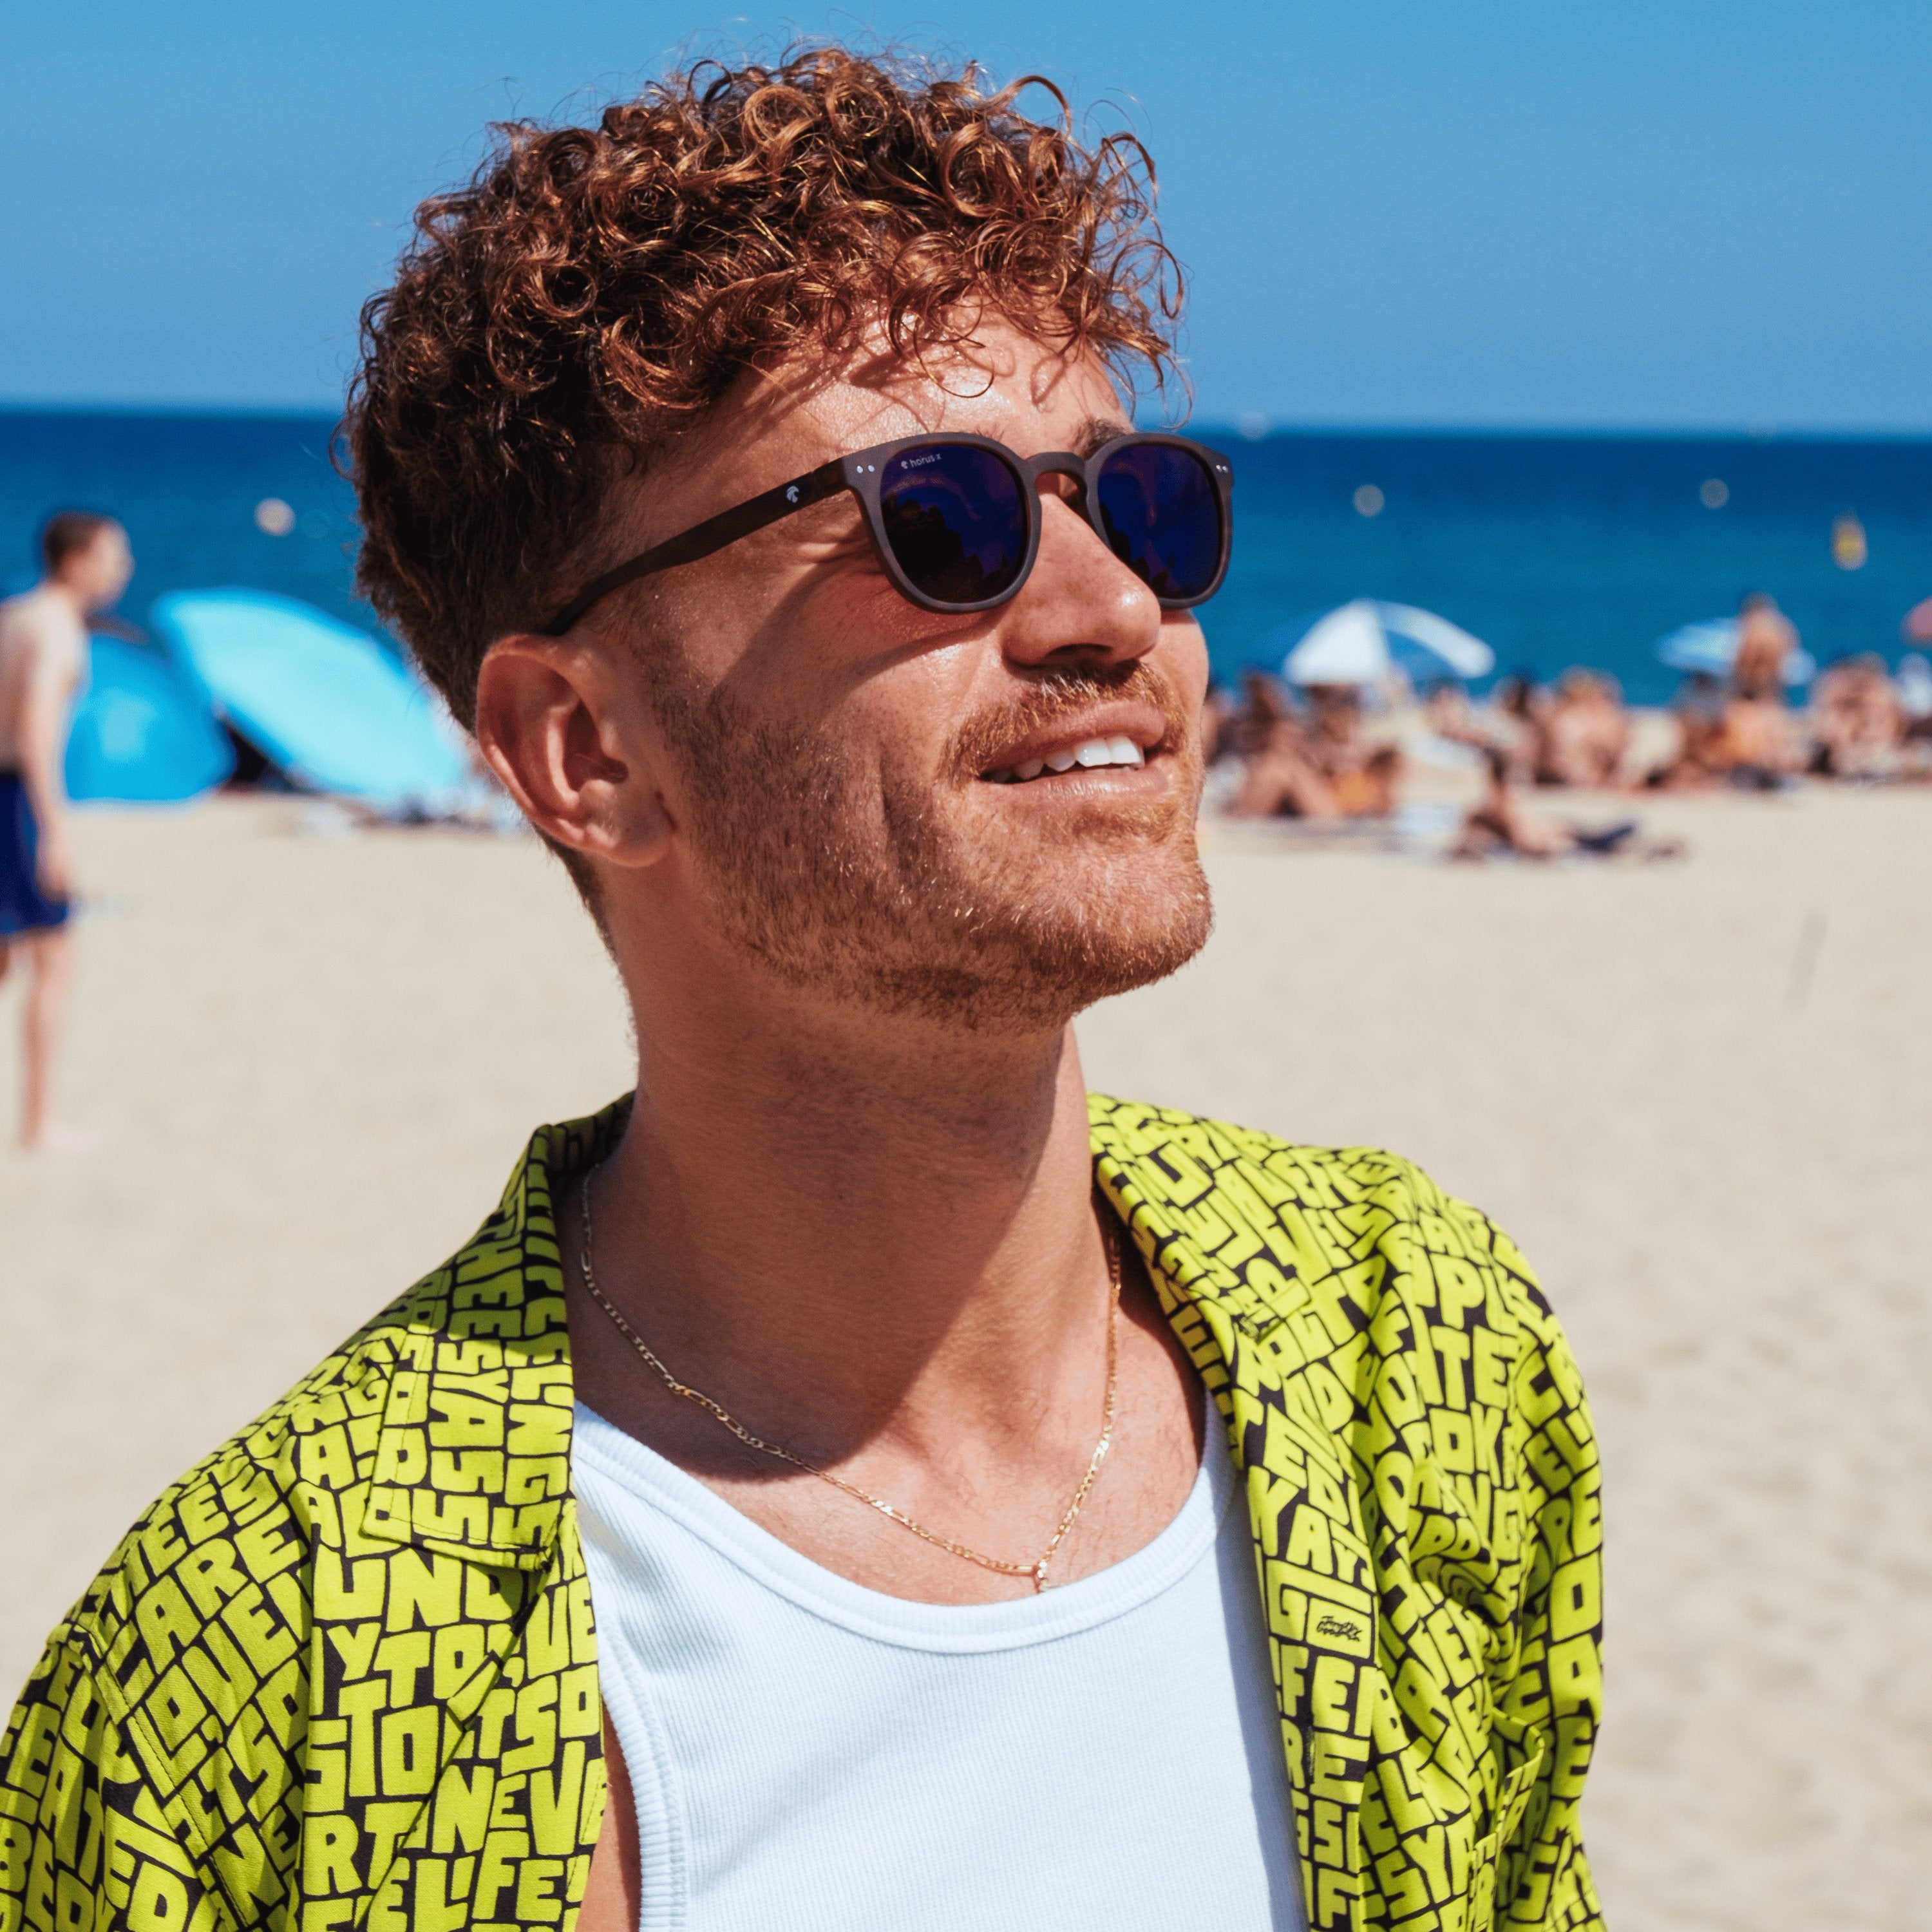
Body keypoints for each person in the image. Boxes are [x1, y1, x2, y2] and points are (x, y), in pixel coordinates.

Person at [0, 50, 1604, 1932]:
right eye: (936, 520)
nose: (1114, 613)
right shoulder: (263, 1668)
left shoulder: (1409, 1352)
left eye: (1140, 504)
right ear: (584, 745)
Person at [0, 510, 129, 1150]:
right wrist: (53, 827)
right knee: (54, 958)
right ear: (76, 561)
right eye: (113, 556)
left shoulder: (16, 614)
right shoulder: (58, 631)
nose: (123, 569)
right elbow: (33, 732)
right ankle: (38, 1123)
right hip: (14, 796)